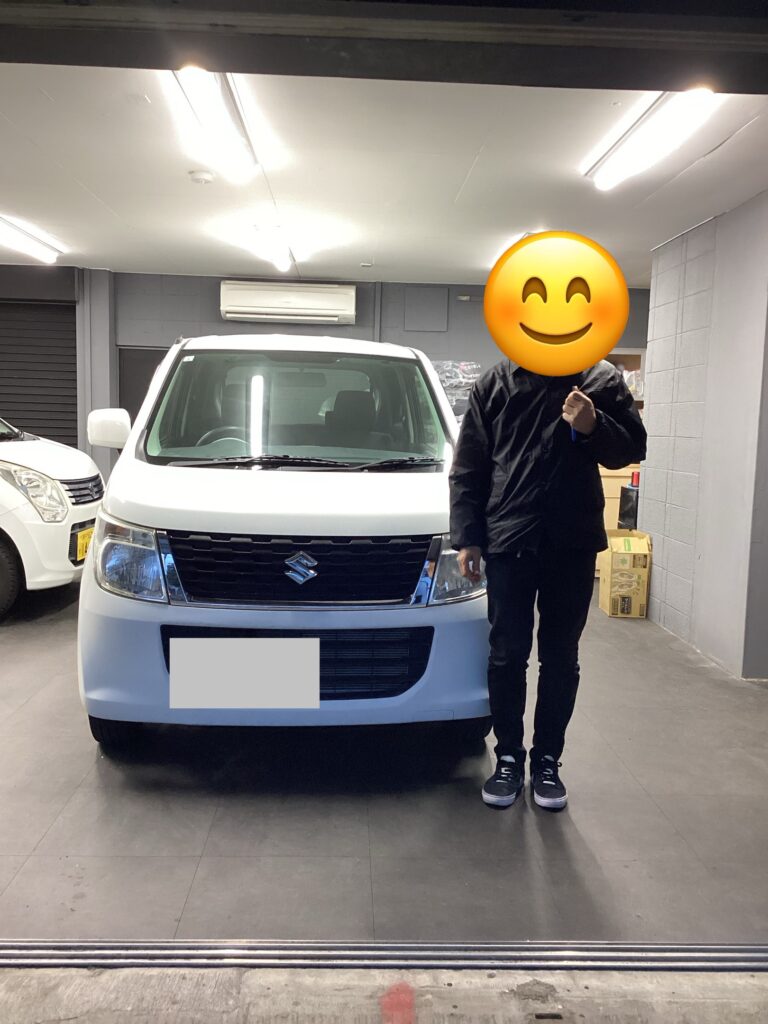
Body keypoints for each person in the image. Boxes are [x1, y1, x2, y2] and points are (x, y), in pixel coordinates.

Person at [449, 357, 647, 810]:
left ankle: (546, 762)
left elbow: (632, 448)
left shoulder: (600, 379)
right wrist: (467, 537)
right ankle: (508, 757)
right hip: (508, 538)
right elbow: (469, 465)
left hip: (571, 540)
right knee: (506, 654)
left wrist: (593, 425)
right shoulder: (495, 382)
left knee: (560, 656)